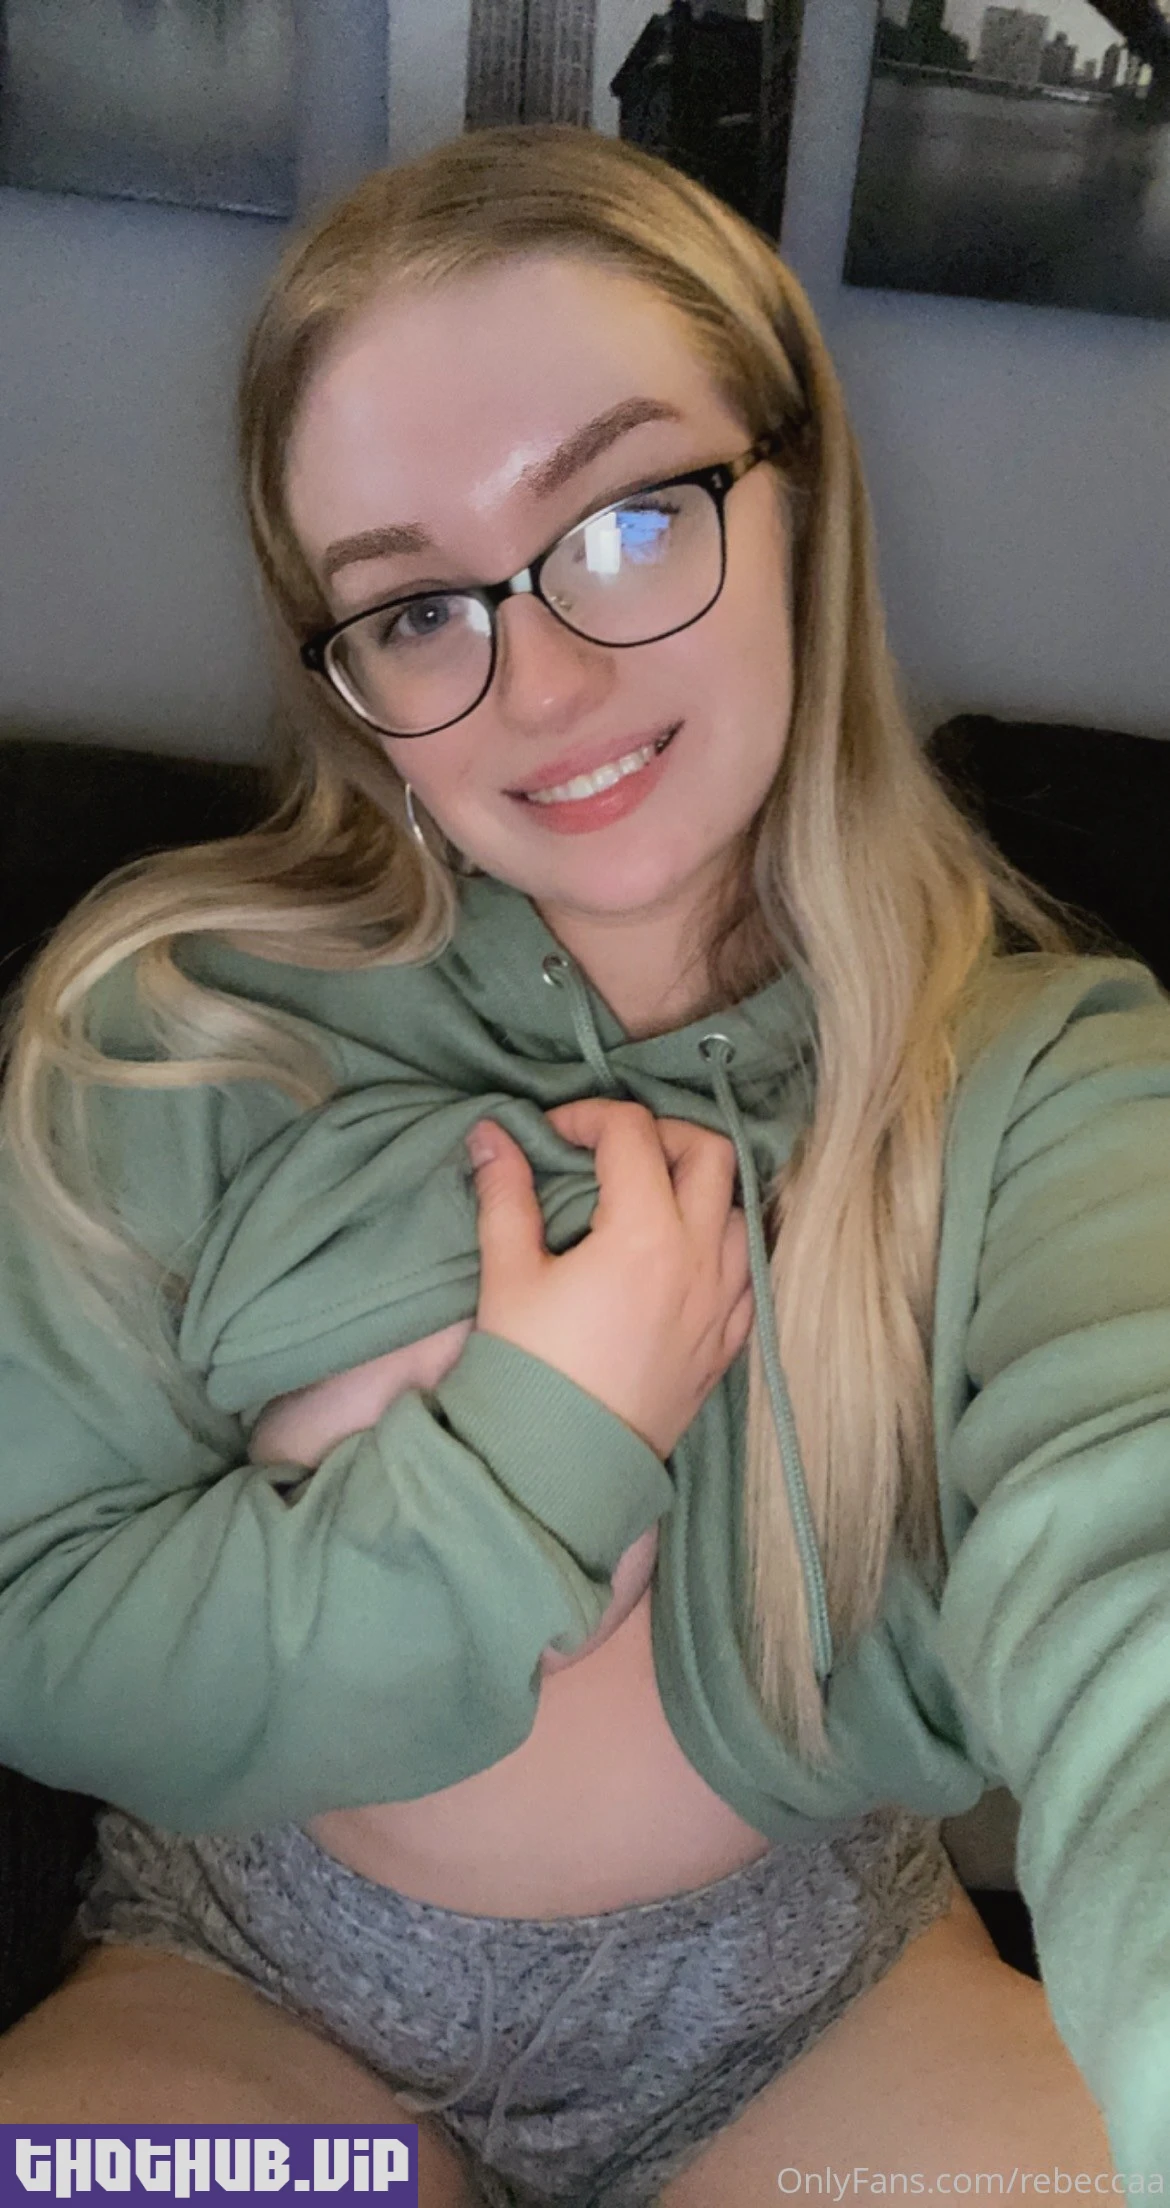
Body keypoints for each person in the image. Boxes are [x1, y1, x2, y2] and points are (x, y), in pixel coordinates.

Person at [0, 122, 1164, 2202]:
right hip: (252, 1977)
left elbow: (1135, 1554)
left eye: (626, 521)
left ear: (799, 499)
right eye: (412, 606)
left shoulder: (1048, 1082)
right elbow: (34, 1618)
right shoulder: (178, 1021)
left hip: (811, 2001)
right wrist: (524, 1465)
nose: (538, 683)